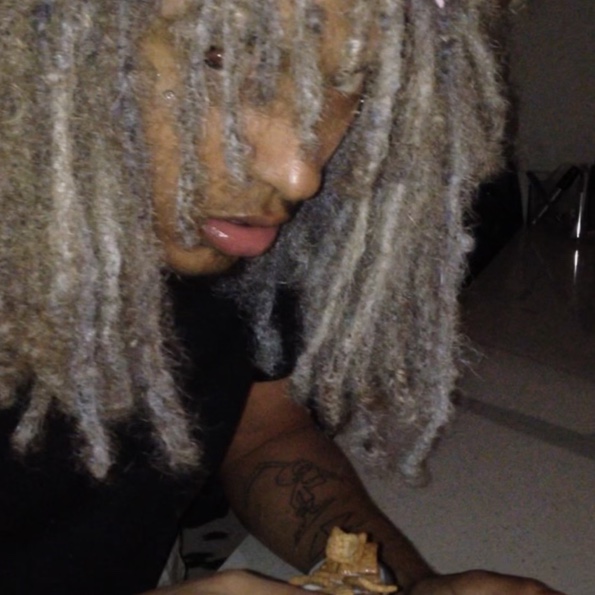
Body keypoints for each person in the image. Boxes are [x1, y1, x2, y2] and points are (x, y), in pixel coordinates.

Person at [0, 0, 564, 594]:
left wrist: (405, 584)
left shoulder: (237, 239)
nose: (300, 173)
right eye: (217, 58)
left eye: (347, 78)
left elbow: (264, 434)